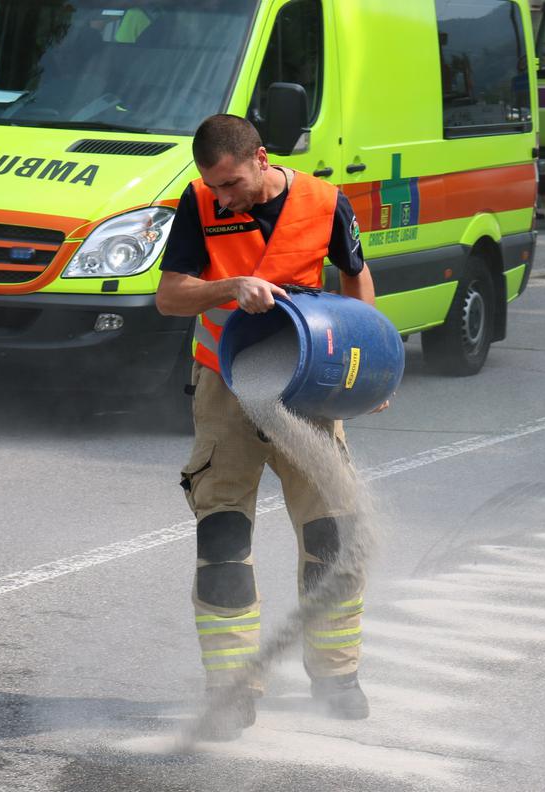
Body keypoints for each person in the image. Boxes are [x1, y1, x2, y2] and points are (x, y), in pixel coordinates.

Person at [155, 114, 377, 741]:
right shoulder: (198, 205)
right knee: (223, 534)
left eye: (230, 182)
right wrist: (230, 286)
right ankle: (230, 691)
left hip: (307, 388)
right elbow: (170, 296)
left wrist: (369, 364)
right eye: (212, 185)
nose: (221, 195)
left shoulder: (324, 202)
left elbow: (355, 277)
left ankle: (337, 676)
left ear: (259, 156)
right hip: (226, 388)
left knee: (331, 533)